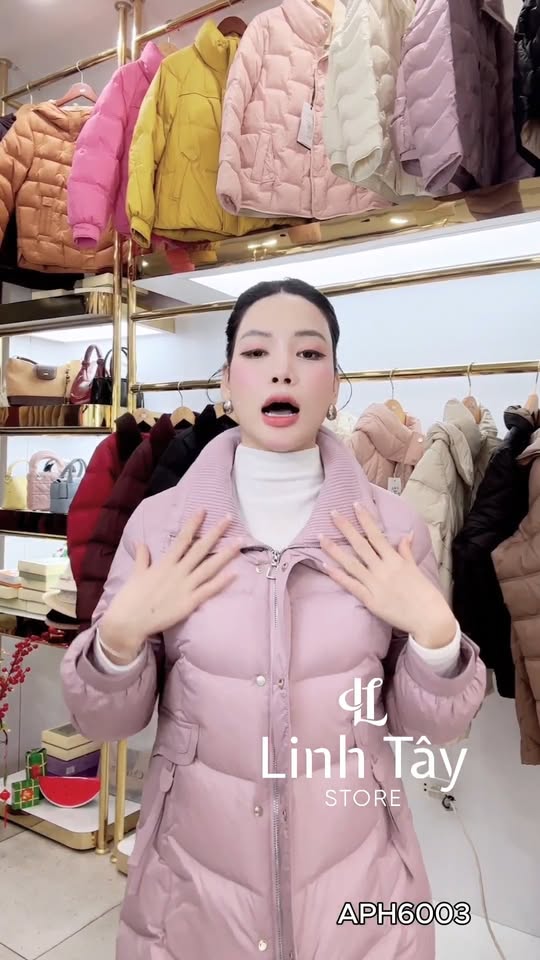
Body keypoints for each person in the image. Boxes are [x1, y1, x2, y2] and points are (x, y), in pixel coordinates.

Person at [61, 278, 486, 960]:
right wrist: (117, 640)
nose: (282, 370)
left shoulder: (393, 529)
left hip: (358, 900)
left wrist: (437, 640)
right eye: (257, 352)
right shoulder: (161, 525)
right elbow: (104, 721)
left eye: (308, 353)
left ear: (335, 384)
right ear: (227, 381)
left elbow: (432, 728)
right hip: (193, 901)